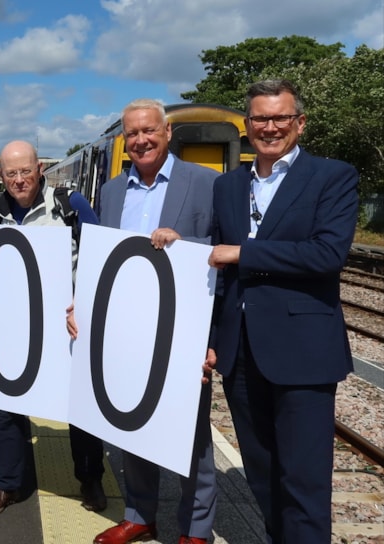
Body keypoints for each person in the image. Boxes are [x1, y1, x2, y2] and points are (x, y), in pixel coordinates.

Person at [207, 79, 358, 543]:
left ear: (300, 122)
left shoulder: (332, 176)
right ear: (247, 124)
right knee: (261, 472)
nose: (270, 127)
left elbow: (327, 254)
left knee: (304, 480)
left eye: (280, 118)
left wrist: (244, 253)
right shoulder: (228, 185)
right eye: (260, 119)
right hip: (240, 353)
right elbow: (217, 273)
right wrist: (209, 338)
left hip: (303, 353)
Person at [74, 99, 217, 544]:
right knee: (131, 423)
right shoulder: (113, 191)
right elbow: (104, 261)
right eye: (132, 133)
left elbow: (225, 249)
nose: (141, 140)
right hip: (127, 328)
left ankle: (195, 528)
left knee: (191, 433)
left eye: (149, 130)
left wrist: (185, 243)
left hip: (182, 328)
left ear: (167, 132)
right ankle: (139, 515)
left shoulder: (207, 183)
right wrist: (83, 307)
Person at [0, 140, 99, 518]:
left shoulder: (70, 206)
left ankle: (91, 478)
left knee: (80, 407)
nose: (19, 180)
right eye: (11, 173)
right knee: (5, 406)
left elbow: (100, 256)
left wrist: (84, 304)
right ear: (1, 175)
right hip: (15, 327)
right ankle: (6, 484)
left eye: (25, 171)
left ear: (39, 169)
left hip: (67, 326)